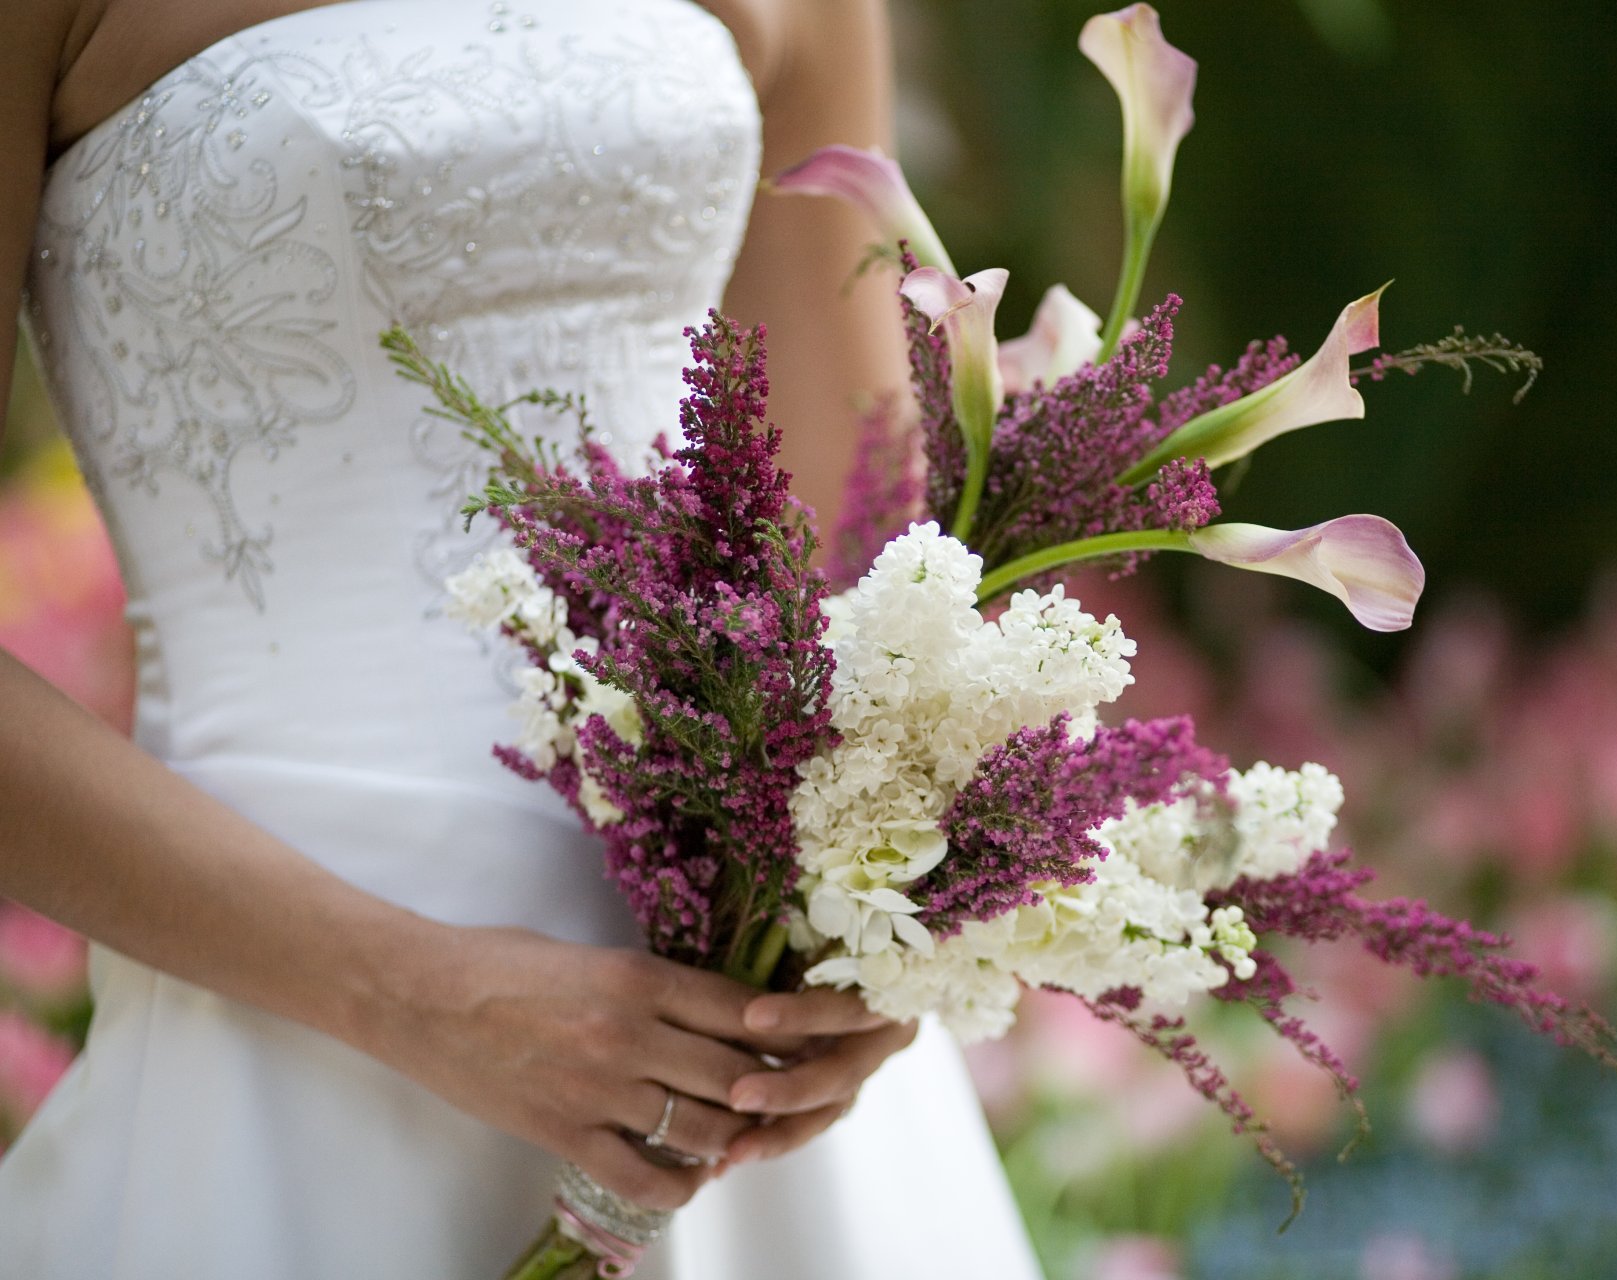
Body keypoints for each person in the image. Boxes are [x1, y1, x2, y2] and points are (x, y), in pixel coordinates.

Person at [0, 1, 1043, 1275]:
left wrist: (872, 940)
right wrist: (412, 992)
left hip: (740, 1037)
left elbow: (859, 556)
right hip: (283, 1023)